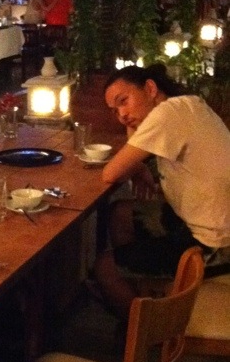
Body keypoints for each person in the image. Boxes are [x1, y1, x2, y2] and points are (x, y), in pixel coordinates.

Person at [95, 64, 230, 319]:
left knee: (105, 268)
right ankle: (141, 293)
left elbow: (111, 173)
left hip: (217, 243)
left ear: (150, 88)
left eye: (124, 101)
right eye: (114, 110)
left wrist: (134, 166)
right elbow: (133, 157)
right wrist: (138, 167)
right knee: (121, 213)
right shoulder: (186, 105)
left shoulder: (169, 113)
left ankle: (147, 332)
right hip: (203, 224)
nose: (121, 114)